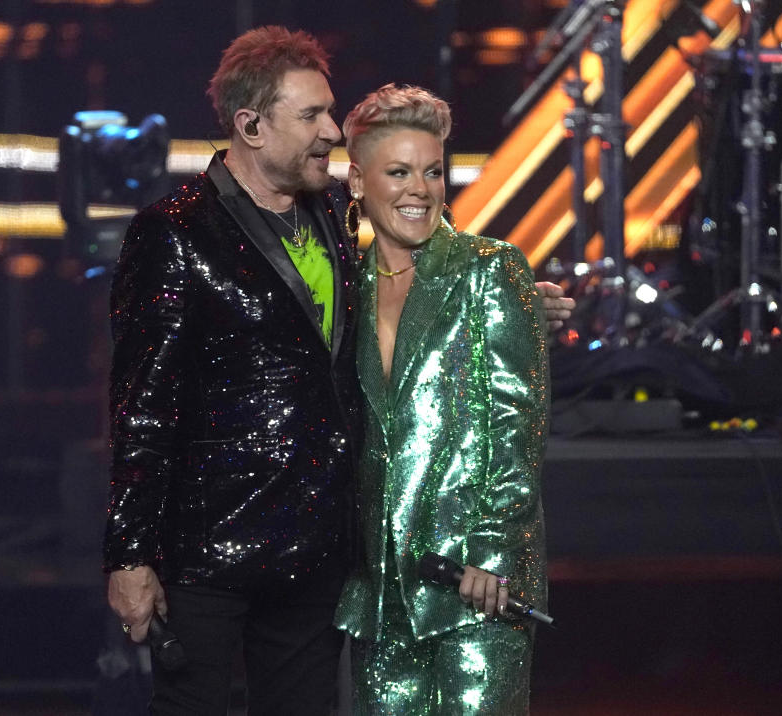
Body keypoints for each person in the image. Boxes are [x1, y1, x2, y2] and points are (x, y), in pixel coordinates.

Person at [102, 26, 571, 715]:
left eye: (329, 112)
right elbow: (142, 406)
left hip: (319, 552)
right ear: (251, 126)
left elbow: (428, 286)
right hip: (207, 551)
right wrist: (129, 552)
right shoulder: (174, 232)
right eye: (312, 116)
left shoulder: (332, 218)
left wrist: (522, 307)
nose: (330, 130)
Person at [334, 84, 549, 715]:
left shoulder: (490, 269)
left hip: (475, 584)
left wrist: (490, 550)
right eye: (398, 172)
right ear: (356, 182)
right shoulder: (346, 287)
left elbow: (517, 423)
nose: (419, 190)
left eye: (432, 172)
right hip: (379, 588)